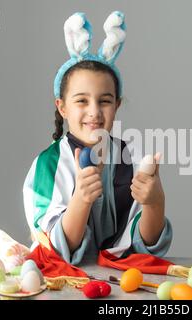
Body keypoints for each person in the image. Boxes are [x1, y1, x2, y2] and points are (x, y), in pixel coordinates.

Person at [23, 11, 172, 265]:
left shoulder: (133, 159)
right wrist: (81, 199)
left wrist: (155, 204)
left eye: (104, 101)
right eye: (81, 100)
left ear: (117, 105)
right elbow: (55, 250)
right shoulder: (47, 166)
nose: (94, 111)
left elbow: (145, 247)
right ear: (63, 107)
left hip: (123, 285)